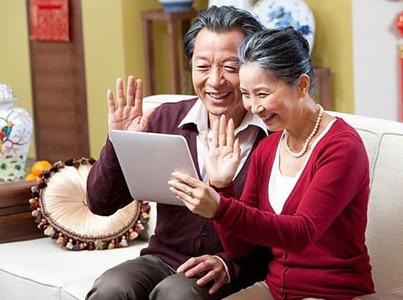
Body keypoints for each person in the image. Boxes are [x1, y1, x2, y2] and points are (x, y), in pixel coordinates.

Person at [168, 27, 375, 300]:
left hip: (334, 292)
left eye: (262, 94)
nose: (253, 106)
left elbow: (301, 232)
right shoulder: (267, 148)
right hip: (274, 290)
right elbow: (241, 250)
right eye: (246, 94)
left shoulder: (342, 147)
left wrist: (220, 208)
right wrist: (222, 186)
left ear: (301, 85)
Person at [85, 6, 272, 300]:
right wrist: (117, 142)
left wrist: (229, 265)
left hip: (224, 267)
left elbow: (282, 231)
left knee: (176, 295)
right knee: (111, 288)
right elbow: (100, 203)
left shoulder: (270, 135)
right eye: (202, 66)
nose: (214, 80)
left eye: (230, 67)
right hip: (162, 258)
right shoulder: (164, 120)